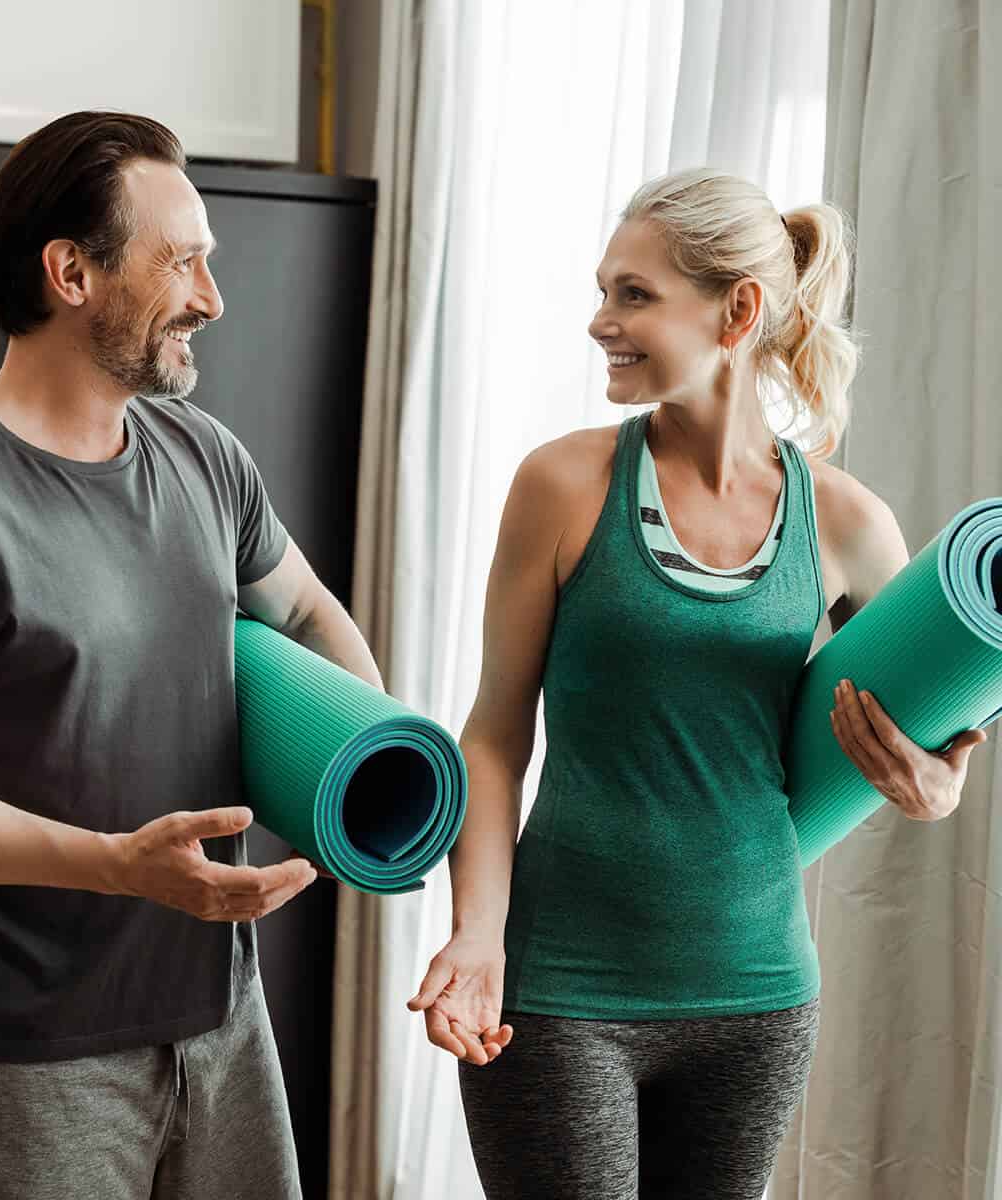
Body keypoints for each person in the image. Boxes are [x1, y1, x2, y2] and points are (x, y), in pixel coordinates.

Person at [0, 111, 381, 1200]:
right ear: (71, 273)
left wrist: (374, 764)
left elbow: (307, 611)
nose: (213, 299)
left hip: (222, 1010)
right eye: (182, 262)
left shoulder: (203, 455)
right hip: (40, 1044)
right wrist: (117, 864)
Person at [408, 167, 987, 1200]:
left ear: (739, 309)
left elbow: (937, 726)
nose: (600, 322)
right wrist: (478, 931)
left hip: (758, 999)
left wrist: (939, 787)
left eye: (633, 295)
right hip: (561, 993)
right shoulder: (564, 485)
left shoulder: (847, 524)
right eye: (603, 291)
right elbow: (494, 737)